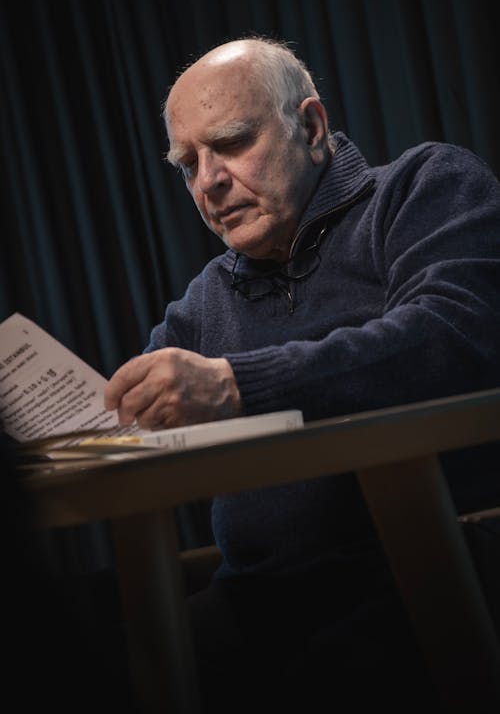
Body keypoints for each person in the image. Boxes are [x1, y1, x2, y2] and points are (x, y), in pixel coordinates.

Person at [104, 37, 500, 711]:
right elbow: (127, 422)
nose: (207, 181)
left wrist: (236, 386)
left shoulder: (421, 188)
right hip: (258, 605)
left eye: (230, 143)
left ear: (311, 127)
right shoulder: (205, 299)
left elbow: (452, 338)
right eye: (188, 163)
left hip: (423, 570)